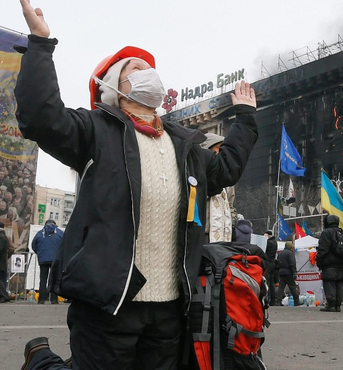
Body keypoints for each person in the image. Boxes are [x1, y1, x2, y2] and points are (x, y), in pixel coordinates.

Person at [14, 1, 259, 368]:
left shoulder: (185, 146)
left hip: (170, 309)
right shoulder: (97, 131)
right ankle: (42, 362)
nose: (149, 73)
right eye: (137, 69)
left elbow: (226, 169)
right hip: (109, 304)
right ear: (115, 86)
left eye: (151, 68)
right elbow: (40, 118)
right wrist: (40, 44)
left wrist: (245, 118)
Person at [201, 133, 235, 243]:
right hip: (203, 234)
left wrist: (233, 219)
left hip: (224, 236)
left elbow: (230, 204)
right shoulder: (198, 172)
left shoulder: (228, 180)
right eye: (218, 148)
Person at [316, 215, 343, 312]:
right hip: (342, 262)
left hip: (329, 262)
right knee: (339, 282)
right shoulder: (342, 232)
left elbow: (323, 249)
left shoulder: (326, 233)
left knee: (329, 282)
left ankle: (331, 304)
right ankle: (337, 305)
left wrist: (319, 260)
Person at [31, 219, 63, 304]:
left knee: (43, 279)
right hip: (55, 260)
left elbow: (34, 245)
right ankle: (54, 299)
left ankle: (41, 299)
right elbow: (64, 245)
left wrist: (40, 253)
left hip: (43, 260)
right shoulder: (60, 233)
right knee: (55, 279)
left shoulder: (40, 233)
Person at [276, 242, 301, 306]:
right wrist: (294, 272)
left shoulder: (280, 253)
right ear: (290, 247)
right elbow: (292, 264)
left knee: (281, 288)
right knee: (292, 287)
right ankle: (296, 301)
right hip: (289, 272)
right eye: (292, 248)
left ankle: (278, 301)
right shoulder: (290, 253)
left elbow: (277, 263)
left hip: (281, 272)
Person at [264, 230, 279, 306]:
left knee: (267, 282)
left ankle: (268, 299)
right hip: (273, 263)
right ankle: (273, 300)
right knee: (272, 283)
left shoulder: (269, 243)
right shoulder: (275, 242)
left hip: (268, 263)